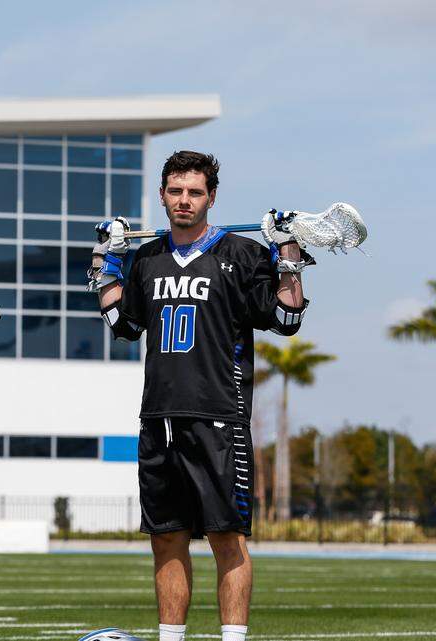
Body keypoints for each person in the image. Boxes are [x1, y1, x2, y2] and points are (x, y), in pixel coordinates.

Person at [90, 151, 311, 641]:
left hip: (218, 417)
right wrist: (104, 262)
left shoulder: (242, 254)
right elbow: (120, 324)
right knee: (165, 538)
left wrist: (288, 254)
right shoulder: (146, 258)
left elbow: (288, 318)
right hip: (159, 417)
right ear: (163, 196)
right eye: (175, 191)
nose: (184, 200)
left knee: (225, 537)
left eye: (194, 192)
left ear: (211, 197)